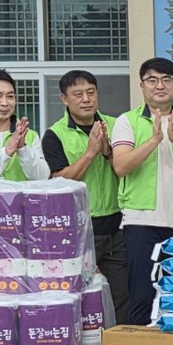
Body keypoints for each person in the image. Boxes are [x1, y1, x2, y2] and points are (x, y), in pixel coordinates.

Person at [111, 57, 173, 326]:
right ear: (142, 86)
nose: (159, 85)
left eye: (166, 80)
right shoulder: (127, 121)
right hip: (141, 222)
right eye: (152, 80)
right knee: (142, 295)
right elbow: (121, 165)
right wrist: (154, 139)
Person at [43, 69, 127, 318]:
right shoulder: (54, 135)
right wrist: (90, 152)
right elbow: (59, 181)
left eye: (91, 92)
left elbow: (127, 170)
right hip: (78, 230)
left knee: (122, 294)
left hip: (117, 226)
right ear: (64, 99)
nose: (86, 99)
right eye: (78, 94)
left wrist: (107, 152)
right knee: (76, 294)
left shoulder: (117, 125)